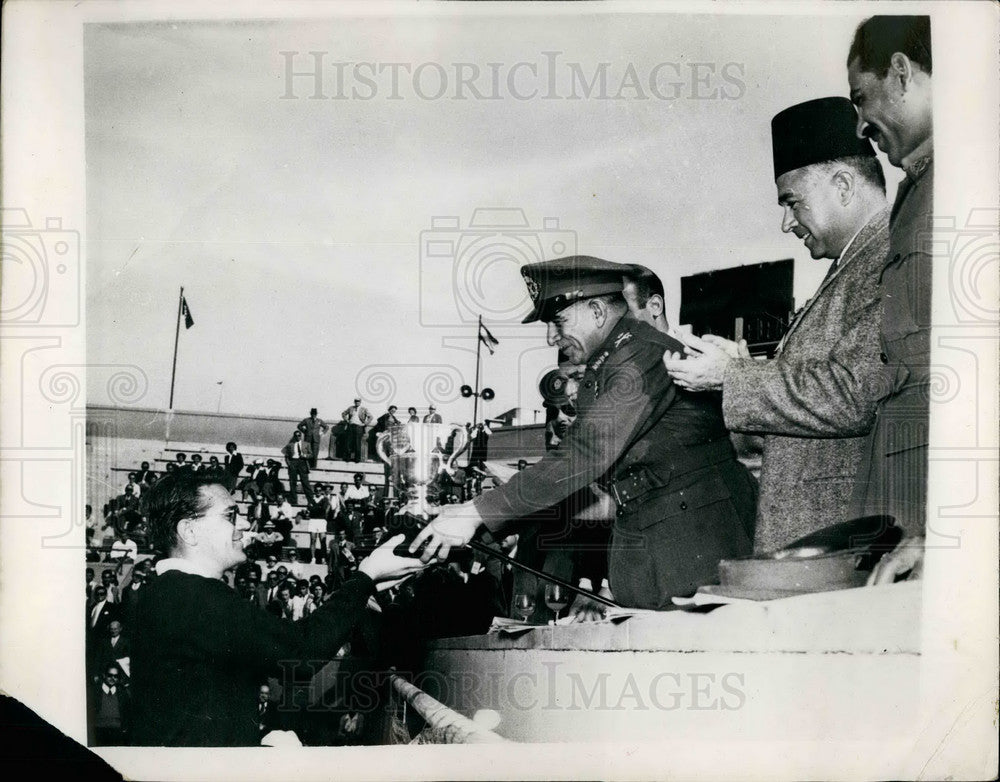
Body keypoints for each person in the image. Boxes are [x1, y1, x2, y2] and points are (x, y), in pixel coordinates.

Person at [413, 256, 757, 610]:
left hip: (696, 540)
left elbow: (585, 454)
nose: (551, 337)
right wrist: (489, 526)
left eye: (558, 321)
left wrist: (477, 512)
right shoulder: (609, 364)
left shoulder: (644, 355)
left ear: (596, 312)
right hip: (660, 537)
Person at [663, 96, 890, 551]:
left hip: (836, 538)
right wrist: (740, 369)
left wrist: (735, 378)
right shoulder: (854, 265)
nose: (787, 223)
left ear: (843, 185)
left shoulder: (885, 259)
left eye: (792, 202)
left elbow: (855, 394)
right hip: (815, 536)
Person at [129, 470, 426, 746]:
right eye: (230, 515)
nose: (244, 524)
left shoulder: (171, 591)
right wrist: (364, 578)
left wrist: (359, 590)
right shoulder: (195, 596)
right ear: (189, 531)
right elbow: (301, 654)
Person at [846, 15, 933, 582]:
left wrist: (948, 533)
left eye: (861, 99)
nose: (859, 126)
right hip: (902, 517)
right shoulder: (918, 190)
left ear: (900, 72)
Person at [281, 430, 315, 507]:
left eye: (299, 435)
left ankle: (310, 500)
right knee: (292, 483)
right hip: (293, 462)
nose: (298, 437)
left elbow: (311, 455)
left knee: (305, 482)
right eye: (296, 435)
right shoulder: (290, 445)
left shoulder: (306, 444)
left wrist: (305, 456)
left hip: (302, 463)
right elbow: (286, 456)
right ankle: (293, 500)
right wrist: (289, 464)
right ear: (294, 436)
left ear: (301, 436)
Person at [341, 398, 373, 463]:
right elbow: (343, 413)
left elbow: (371, 417)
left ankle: (357, 459)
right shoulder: (351, 408)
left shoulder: (364, 409)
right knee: (348, 442)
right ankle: (348, 458)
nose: (357, 403)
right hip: (350, 426)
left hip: (359, 427)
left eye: (358, 402)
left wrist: (365, 423)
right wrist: (346, 420)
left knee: (357, 443)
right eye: (356, 401)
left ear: (360, 402)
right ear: (354, 402)